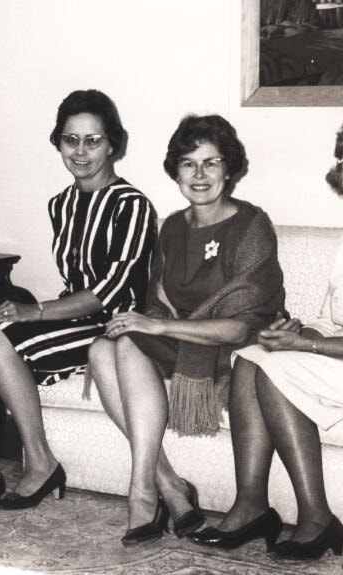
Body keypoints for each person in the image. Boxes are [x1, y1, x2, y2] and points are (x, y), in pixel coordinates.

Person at [189, 117, 343, 560]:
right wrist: (296, 332)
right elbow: (330, 317)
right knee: (251, 355)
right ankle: (251, 505)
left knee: (277, 370)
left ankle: (317, 516)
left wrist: (307, 347)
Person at [0, 89, 158, 522]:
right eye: (70, 139)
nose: (80, 151)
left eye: (92, 140)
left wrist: (34, 312)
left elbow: (110, 291)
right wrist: (27, 312)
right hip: (71, 316)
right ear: (58, 142)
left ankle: (40, 461)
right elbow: (73, 284)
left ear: (113, 143)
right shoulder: (60, 204)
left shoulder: (132, 206)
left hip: (117, 327)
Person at [88, 114, 286, 546]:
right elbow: (157, 297)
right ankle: (168, 486)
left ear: (229, 168)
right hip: (184, 342)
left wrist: (156, 324)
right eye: (188, 163)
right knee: (104, 349)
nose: (199, 175)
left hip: (236, 354)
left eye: (211, 163)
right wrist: (150, 322)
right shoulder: (173, 227)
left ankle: (143, 493)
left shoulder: (252, 225)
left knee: (127, 340)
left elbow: (239, 326)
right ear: (175, 169)